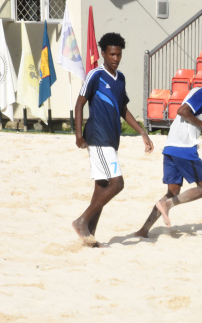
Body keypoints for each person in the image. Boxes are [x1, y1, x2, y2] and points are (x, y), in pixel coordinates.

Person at [72, 32, 154, 247]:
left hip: (112, 138)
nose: (115, 58)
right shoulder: (95, 75)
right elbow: (79, 104)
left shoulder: (121, 78)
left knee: (101, 188)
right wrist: (79, 135)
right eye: (112, 54)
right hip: (98, 137)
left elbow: (123, 110)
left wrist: (142, 132)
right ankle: (81, 222)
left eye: (118, 54)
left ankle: (89, 235)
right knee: (117, 184)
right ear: (103, 53)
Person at [134, 65, 202, 238]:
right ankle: (168, 205)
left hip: (171, 147)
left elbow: (189, 112)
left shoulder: (198, 92)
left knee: (172, 192)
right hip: (184, 148)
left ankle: (144, 230)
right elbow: (182, 111)